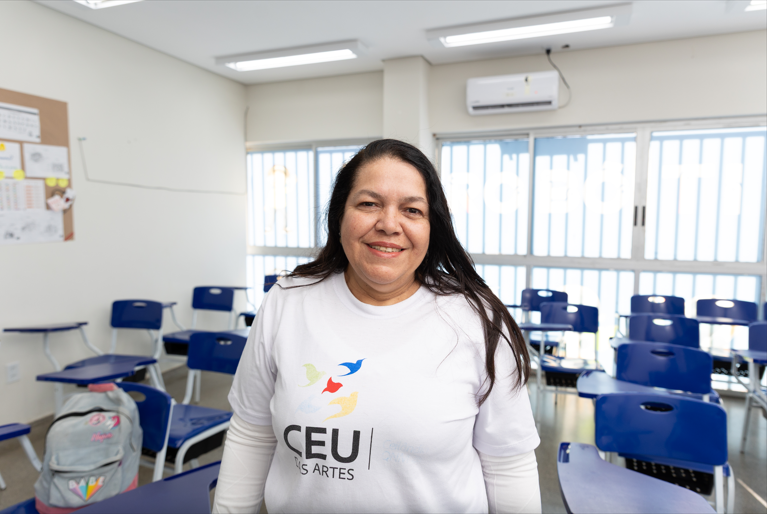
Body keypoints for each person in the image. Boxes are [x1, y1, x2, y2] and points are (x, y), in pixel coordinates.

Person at [213, 139, 541, 513]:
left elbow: (507, 465)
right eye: (369, 204)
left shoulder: (476, 320)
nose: (388, 224)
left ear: (432, 227)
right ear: (339, 216)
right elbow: (252, 435)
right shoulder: (287, 301)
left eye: (412, 210)